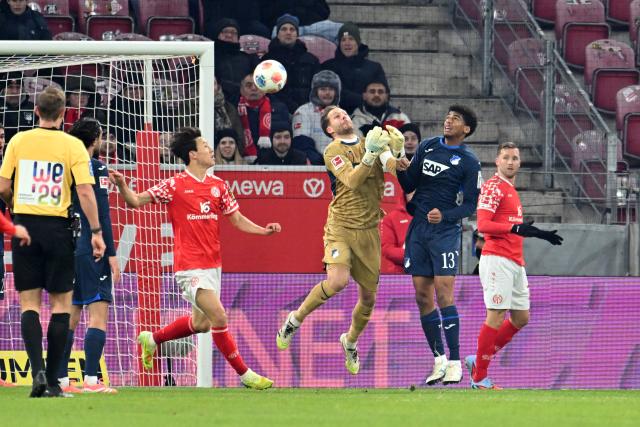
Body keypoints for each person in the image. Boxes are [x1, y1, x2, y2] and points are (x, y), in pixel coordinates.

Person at [109, 127, 280, 390]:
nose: (210, 150)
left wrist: (264, 231)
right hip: (189, 266)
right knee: (220, 318)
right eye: (205, 146)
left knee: (201, 324)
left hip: (213, 265)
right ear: (192, 154)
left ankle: (152, 339)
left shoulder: (218, 186)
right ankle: (246, 375)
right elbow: (135, 201)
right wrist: (122, 185)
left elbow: (236, 219)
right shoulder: (174, 185)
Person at [275, 105, 409, 374]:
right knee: (337, 280)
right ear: (329, 129)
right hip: (341, 226)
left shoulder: (371, 142)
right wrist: (371, 155)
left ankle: (350, 341)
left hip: (370, 229)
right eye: (336, 116)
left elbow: (397, 170)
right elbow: (352, 180)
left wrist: (399, 152)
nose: (343, 116)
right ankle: (295, 319)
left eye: (344, 113)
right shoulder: (332, 151)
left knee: (368, 299)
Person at [0, 86, 106, 398]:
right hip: (59, 228)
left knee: (29, 303)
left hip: (25, 227)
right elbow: (85, 192)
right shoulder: (72, 145)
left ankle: (37, 373)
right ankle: (52, 383)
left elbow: (3, 186)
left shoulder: (19, 141)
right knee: (61, 304)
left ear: (36, 112)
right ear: (63, 114)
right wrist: (97, 232)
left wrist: (16, 206)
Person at [465, 141, 563, 389]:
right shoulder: (493, 187)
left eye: (515, 158)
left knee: (521, 318)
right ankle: (480, 378)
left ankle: (477, 361)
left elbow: (511, 227)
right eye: (506, 157)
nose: (511, 162)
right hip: (497, 259)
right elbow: (484, 225)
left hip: (515, 261)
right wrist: (515, 227)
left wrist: (534, 232)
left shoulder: (510, 189)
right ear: (497, 161)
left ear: (519, 163)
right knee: (496, 315)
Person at [397, 105, 482, 386]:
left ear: (466, 129)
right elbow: (410, 181)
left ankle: (456, 363)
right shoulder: (428, 146)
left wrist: (445, 215)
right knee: (422, 296)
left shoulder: (469, 162)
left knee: (444, 292)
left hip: (445, 230)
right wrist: (400, 167)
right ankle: (439, 361)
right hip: (419, 228)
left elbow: (470, 205)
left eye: (456, 118)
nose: (449, 120)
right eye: (448, 116)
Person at [56, 118, 120, 394]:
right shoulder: (95, 166)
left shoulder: (64, 167)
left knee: (70, 313)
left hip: (65, 244)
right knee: (97, 314)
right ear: (94, 140)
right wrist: (112, 253)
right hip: (91, 246)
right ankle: (92, 380)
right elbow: (102, 214)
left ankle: (59, 379)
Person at [321, 22, 388, 114]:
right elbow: (328, 93)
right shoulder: (328, 66)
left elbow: (382, 93)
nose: (347, 43)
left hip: (367, 115)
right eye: (343, 40)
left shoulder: (374, 67)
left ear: (358, 42)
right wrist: (361, 98)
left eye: (351, 39)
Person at [262, 14, 320, 114]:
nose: (288, 32)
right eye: (284, 29)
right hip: (278, 111)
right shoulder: (268, 60)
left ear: (297, 34)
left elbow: (317, 88)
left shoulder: (311, 60)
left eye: (292, 29)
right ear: (278, 34)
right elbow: (267, 91)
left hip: (308, 110)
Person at [236, 73, 290, 163]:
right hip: (242, 159)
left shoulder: (280, 108)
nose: (253, 88)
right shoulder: (235, 108)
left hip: (273, 160)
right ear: (241, 90)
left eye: (258, 84)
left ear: (265, 89)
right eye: (248, 85)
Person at [292, 69, 341, 165]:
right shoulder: (303, 111)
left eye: (331, 89)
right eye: (323, 89)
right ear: (315, 92)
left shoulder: (342, 114)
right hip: (314, 166)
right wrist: (323, 162)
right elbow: (302, 144)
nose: (327, 93)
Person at [212, 18, 260, 104]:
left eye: (234, 32)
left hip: (246, 101)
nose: (229, 35)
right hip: (218, 101)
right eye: (225, 31)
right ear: (217, 34)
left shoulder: (250, 58)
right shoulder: (209, 57)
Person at [380, 191, 413, 274]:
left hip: (432, 275)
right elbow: (386, 248)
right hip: (401, 275)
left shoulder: (435, 217)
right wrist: (412, 255)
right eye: (411, 190)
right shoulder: (391, 218)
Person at [0, 73, 36, 142]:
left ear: (23, 89)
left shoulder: (32, 108)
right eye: (10, 87)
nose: (14, 91)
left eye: (18, 87)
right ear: (4, 89)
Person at [214, 77, 245, 154]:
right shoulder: (189, 107)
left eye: (213, 84)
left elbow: (240, 137)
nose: (209, 87)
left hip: (230, 160)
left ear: (217, 86)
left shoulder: (229, 107)